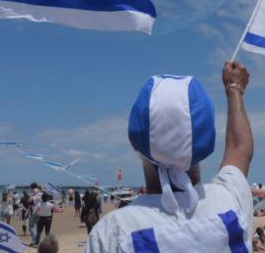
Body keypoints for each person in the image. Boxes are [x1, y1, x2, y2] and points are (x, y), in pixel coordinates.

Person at [85, 62, 254, 252]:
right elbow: (239, 148)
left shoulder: (113, 233)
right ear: (206, 144)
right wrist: (234, 88)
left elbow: (240, 148)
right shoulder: (229, 201)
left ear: (134, 143)